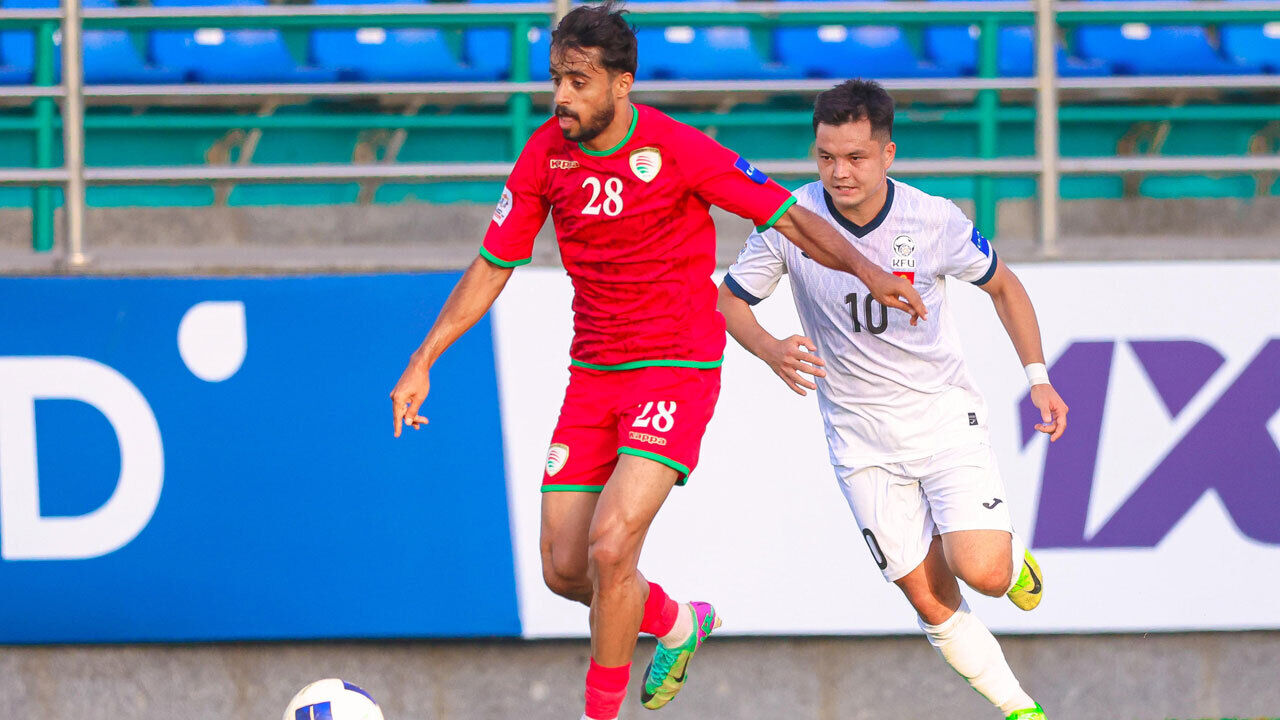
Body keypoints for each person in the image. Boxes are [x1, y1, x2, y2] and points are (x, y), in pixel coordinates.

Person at [389, 10, 926, 720]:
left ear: (623, 83)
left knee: (612, 547)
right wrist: (424, 358)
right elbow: (493, 264)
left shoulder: (679, 149)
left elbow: (789, 218)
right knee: (565, 569)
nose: (562, 97)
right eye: (556, 79)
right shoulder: (544, 155)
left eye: (579, 82)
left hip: (675, 365)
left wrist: (868, 270)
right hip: (593, 376)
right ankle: (676, 622)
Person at [718, 78, 1068, 720]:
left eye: (855, 157)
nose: (839, 173)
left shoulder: (932, 219)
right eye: (826, 156)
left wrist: (1038, 376)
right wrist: (769, 347)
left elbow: (1004, 285)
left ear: (888, 154)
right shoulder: (790, 220)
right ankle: (1021, 709)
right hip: (860, 442)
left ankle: (1012, 563)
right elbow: (730, 300)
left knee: (983, 573)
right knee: (930, 601)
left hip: (942, 420)